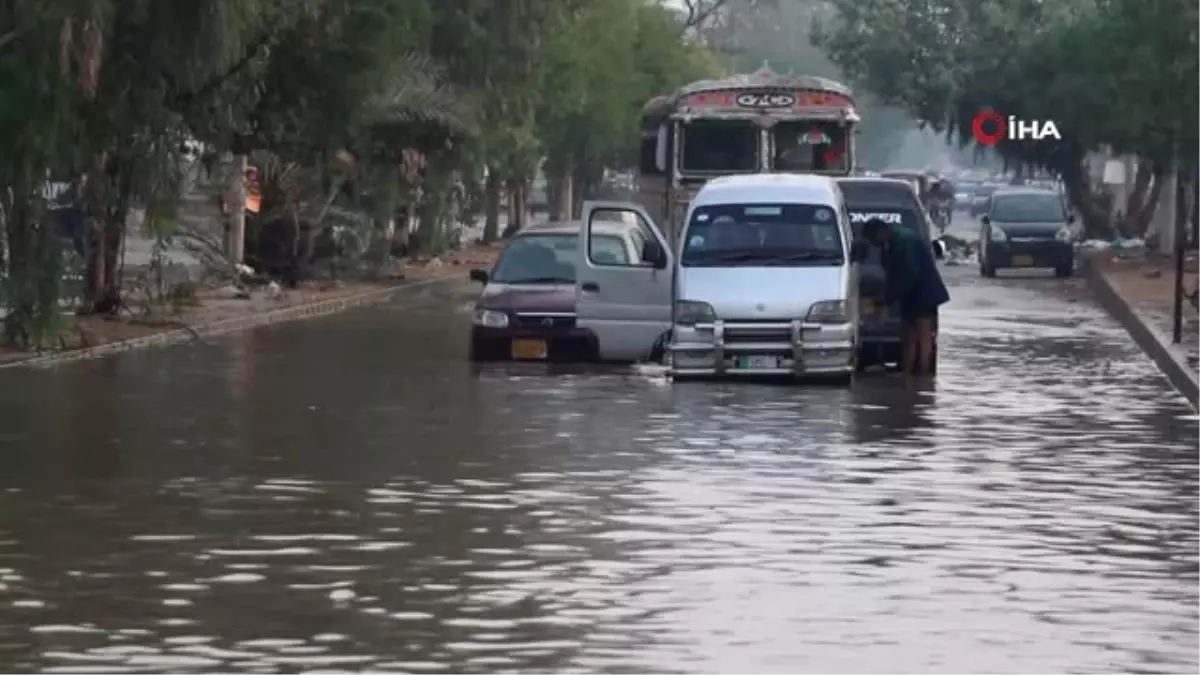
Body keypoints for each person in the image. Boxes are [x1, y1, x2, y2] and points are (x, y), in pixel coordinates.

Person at [859, 217, 950, 376]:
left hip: (924, 293)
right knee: (908, 335)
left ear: (880, 232)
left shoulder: (904, 241)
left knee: (923, 335)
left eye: (872, 239)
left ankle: (922, 378)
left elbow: (908, 275)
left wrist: (887, 298)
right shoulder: (890, 242)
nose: (873, 244)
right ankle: (909, 377)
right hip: (909, 294)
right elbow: (893, 273)